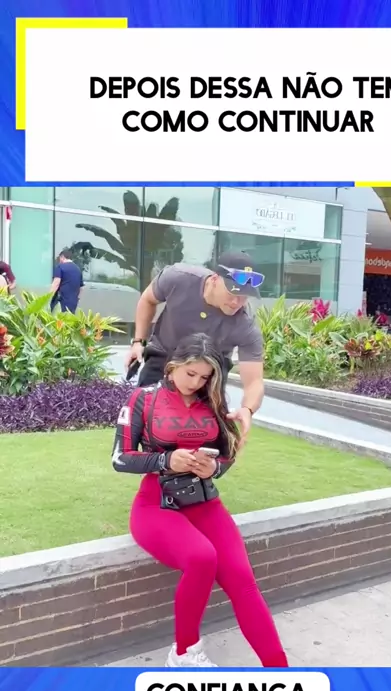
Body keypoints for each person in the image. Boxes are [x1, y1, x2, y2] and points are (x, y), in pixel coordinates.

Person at [112, 332, 288, 669]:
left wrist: (214, 468)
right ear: (173, 365)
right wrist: (166, 460)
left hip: (205, 503)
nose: (196, 382)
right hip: (156, 505)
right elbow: (120, 458)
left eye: (205, 377)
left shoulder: (213, 402)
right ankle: (183, 653)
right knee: (201, 556)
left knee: (243, 581)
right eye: (190, 373)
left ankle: (280, 670)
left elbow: (226, 455)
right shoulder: (143, 399)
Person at [124, 251, 265, 444]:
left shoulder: (245, 324)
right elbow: (148, 300)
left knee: (211, 438)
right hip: (164, 355)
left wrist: (247, 409)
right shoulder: (178, 278)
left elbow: (254, 381)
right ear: (214, 279)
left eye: (244, 297)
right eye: (232, 293)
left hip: (209, 372)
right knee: (141, 420)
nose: (236, 303)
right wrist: (138, 342)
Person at [50, 249, 84, 313]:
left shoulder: (60, 267)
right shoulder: (78, 269)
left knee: (57, 318)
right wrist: (77, 299)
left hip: (61, 302)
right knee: (69, 318)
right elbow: (81, 288)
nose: (59, 261)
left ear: (62, 257)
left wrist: (48, 296)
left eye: (60, 258)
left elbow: (56, 283)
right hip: (73, 303)